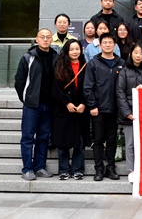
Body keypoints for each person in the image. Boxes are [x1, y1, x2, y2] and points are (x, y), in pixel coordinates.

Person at [14, 27, 57, 181]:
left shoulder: (55, 57)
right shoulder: (28, 58)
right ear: (37, 39)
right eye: (42, 37)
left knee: (43, 138)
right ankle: (27, 169)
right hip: (32, 106)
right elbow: (19, 81)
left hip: (49, 105)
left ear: (52, 39)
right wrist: (26, 98)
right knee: (27, 137)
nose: (45, 39)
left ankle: (40, 167)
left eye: (48, 37)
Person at [83, 32, 125, 181]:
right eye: (105, 42)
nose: (108, 45)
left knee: (112, 139)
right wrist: (92, 105)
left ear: (115, 45)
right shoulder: (93, 63)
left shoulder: (121, 63)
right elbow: (88, 87)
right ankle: (99, 168)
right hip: (98, 109)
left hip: (115, 109)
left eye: (110, 42)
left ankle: (110, 167)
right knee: (98, 140)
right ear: (100, 45)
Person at [116, 42, 142, 182]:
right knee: (130, 144)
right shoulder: (124, 71)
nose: (138, 55)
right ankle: (131, 170)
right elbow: (120, 93)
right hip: (129, 113)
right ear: (131, 54)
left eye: (141, 53)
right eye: (135, 53)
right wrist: (126, 112)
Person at [51, 39, 89, 180]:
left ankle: (78, 169)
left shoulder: (86, 66)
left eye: (77, 49)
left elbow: (89, 87)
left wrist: (84, 103)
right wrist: (66, 103)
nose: (74, 52)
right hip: (63, 110)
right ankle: (64, 169)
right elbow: (55, 88)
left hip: (81, 110)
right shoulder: (59, 65)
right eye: (71, 49)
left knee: (80, 142)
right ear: (67, 51)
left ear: (81, 50)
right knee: (62, 142)